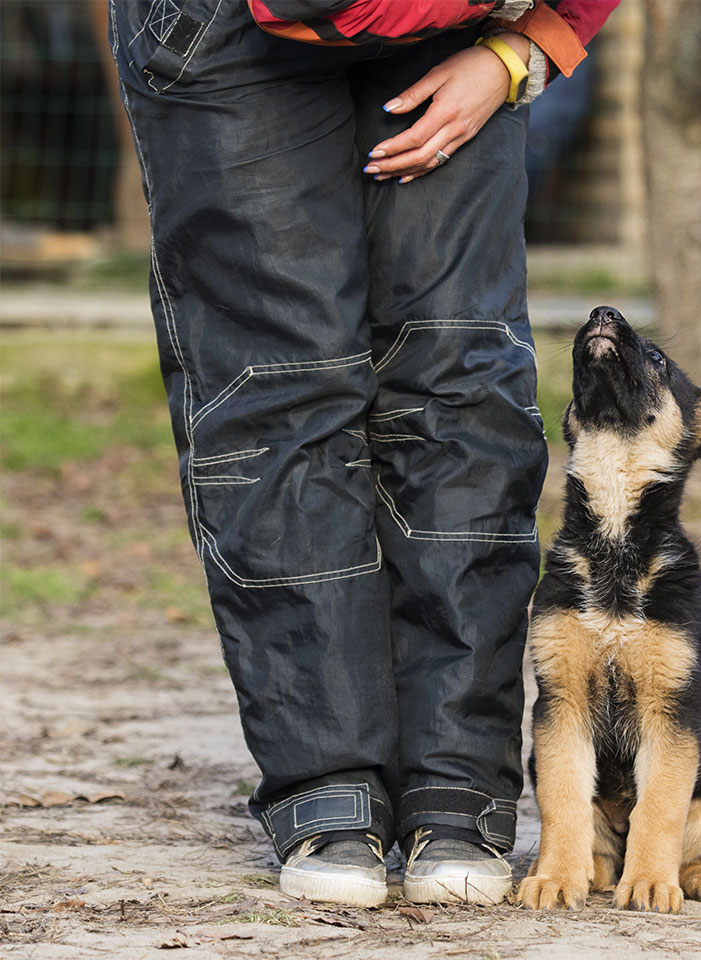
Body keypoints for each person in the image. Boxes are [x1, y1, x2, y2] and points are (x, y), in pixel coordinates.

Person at [108, 0, 617, 908]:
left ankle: (456, 784)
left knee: (459, 379)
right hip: (227, 30)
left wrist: (519, 49)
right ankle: (327, 782)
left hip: (460, 23)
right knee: (281, 386)